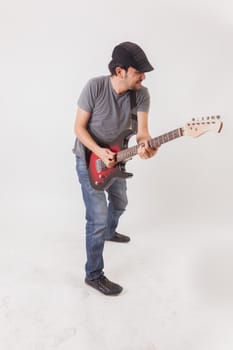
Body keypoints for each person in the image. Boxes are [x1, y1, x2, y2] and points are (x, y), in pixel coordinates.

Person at [73, 41, 158, 296]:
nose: (143, 76)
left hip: (119, 160)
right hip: (88, 158)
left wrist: (147, 147)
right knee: (97, 217)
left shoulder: (141, 94)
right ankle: (93, 274)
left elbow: (142, 133)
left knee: (120, 203)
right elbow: (78, 128)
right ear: (120, 71)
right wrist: (100, 152)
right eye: (138, 72)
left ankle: (109, 232)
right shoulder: (95, 86)